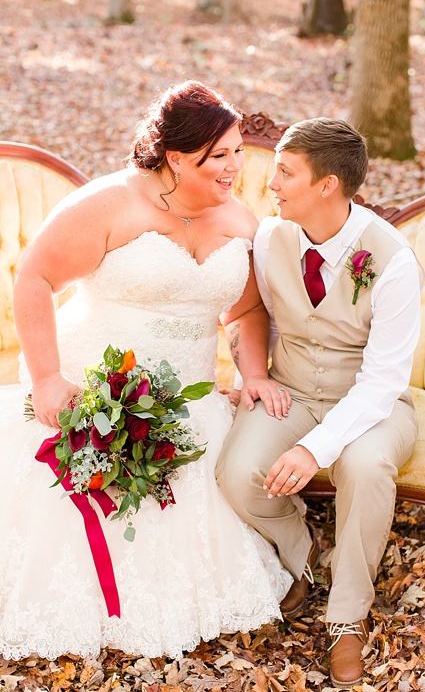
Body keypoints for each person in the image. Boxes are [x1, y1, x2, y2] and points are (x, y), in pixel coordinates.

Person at [0, 80, 294, 661]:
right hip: (93, 392)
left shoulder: (241, 218)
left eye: (238, 150)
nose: (236, 167)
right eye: (221, 156)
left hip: (192, 402)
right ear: (176, 158)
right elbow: (32, 277)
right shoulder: (108, 205)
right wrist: (47, 380)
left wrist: (253, 373)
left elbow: (247, 308)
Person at [216, 117, 423, 688]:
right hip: (293, 391)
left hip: (374, 405)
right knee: (235, 473)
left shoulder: (394, 260)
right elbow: (256, 316)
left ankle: (347, 616)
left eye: (284, 172)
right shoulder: (269, 237)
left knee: (364, 462)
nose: (270, 183)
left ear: (327, 184)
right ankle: (303, 555)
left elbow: (382, 382)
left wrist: (314, 448)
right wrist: (253, 377)